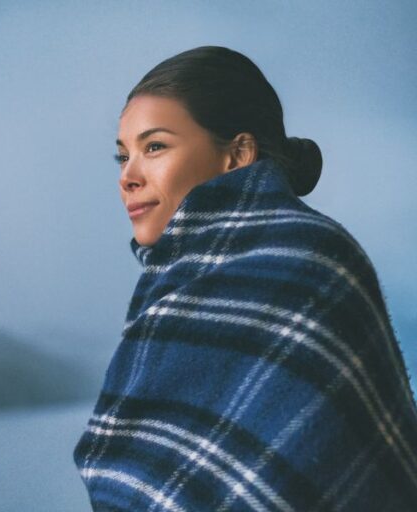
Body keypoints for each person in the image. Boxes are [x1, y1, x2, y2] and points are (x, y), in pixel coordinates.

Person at [72, 46, 417, 511]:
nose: (128, 176)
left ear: (237, 154)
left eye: (154, 147)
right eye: (122, 156)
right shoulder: (169, 286)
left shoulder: (309, 261)